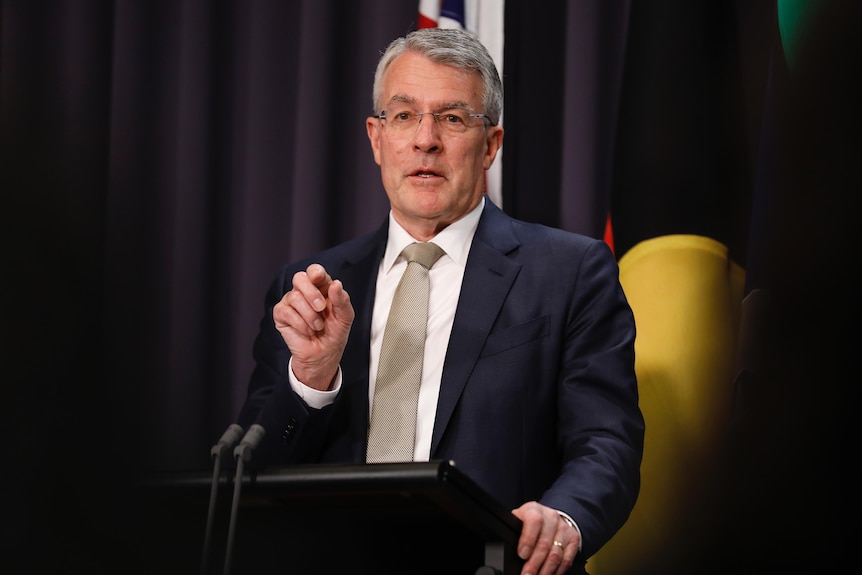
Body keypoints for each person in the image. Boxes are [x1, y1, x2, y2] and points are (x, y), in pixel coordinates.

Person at [236, 27, 644, 575]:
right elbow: (253, 477)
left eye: (452, 118)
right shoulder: (312, 287)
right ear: (377, 138)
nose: (426, 139)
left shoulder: (570, 273)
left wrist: (563, 518)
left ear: (491, 145)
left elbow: (606, 442)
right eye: (404, 116)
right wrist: (310, 379)